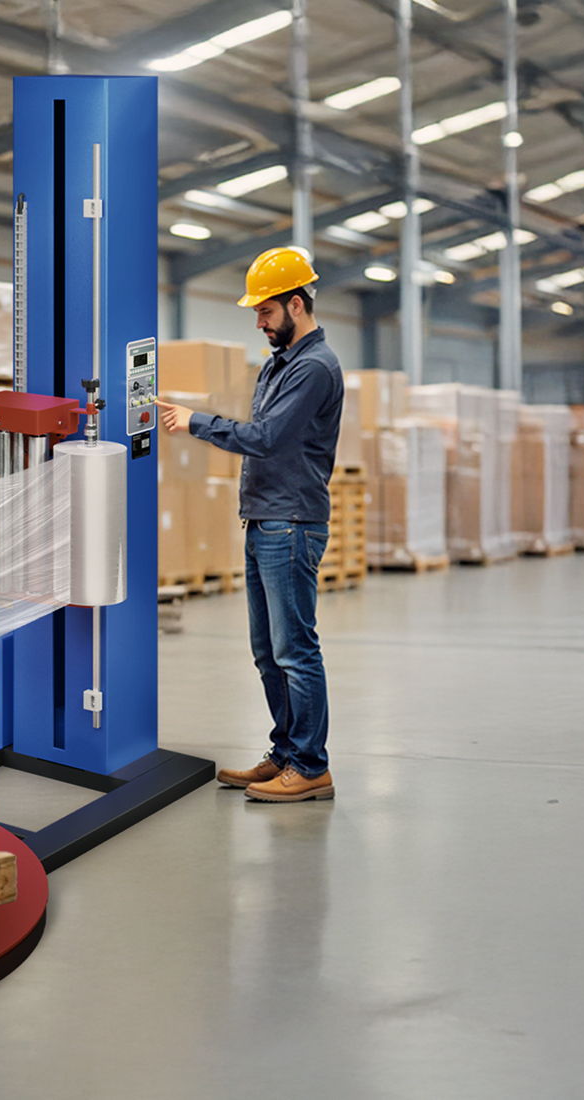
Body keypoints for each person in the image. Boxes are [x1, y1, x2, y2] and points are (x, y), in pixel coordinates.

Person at [154, 247, 344, 803]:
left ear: (296, 304)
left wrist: (195, 422)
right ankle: (285, 752)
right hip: (265, 519)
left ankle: (311, 766)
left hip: (291, 523)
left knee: (295, 651)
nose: (259, 322)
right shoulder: (280, 361)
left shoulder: (313, 367)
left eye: (265, 312)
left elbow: (264, 439)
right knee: (268, 651)